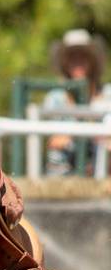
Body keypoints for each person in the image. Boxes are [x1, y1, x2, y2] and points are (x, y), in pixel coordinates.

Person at [44, 29, 111, 175]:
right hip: (61, 177)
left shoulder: (107, 95)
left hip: (100, 177)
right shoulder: (55, 98)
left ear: (92, 60)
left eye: (83, 56)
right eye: (72, 56)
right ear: (65, 62)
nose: (78, 61)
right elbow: (53, 142)